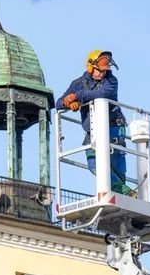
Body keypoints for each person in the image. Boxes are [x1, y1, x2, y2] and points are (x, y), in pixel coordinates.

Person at [55, 50, 134, 196]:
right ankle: (126, 193)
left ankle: (121, 194)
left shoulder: (111, 81)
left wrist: (78, 97)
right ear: (90, 67)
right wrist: (68, 103)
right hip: (93, 131)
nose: (102, 74)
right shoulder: (78, 83)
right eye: (99, 70)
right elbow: (59, 103)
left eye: (105, 71)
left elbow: (101, 94)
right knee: (94, 164)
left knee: (116, 165)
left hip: (113, 127)